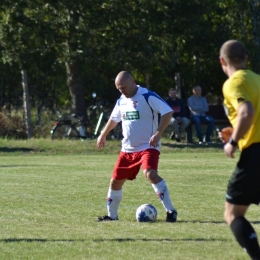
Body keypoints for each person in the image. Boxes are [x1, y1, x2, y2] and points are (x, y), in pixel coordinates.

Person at [96, 71, 178, 222]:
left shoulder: (147, 96)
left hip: (148, 146)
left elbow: (167, 111)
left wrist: (158, 133)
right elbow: (114, 119)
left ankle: (171, 211)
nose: (122, 91)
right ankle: (112, 217)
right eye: (119, 89)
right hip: (127, 149)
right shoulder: (122, 100)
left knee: (150, 174)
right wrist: (103, 134)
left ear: (133, 82)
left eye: (124, 87)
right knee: (115, 181)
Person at [219, 40, 260, 260]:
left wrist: (232, 143)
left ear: (222, 61)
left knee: (233, 213)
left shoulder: (233, 83)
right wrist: (235, 131)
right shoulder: (257, 80)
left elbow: (246, 112)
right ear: (246, 58)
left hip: (255, 153)